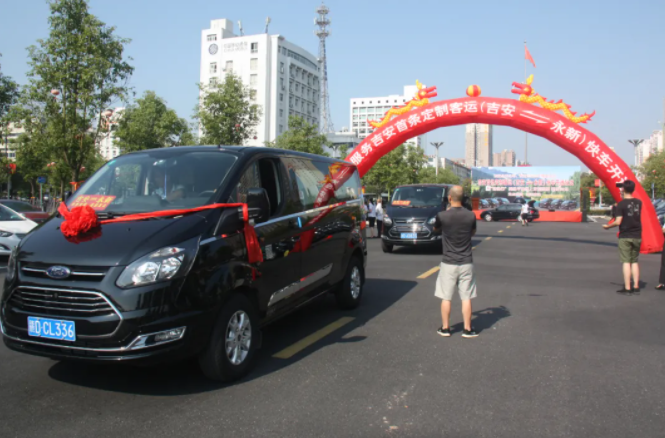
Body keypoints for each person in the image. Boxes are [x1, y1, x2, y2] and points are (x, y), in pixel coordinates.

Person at [433, 185, 479, 338]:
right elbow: (472, 232)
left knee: (446, 297)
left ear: (449, 198)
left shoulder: (442, 215)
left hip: (448, 262)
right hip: (466, 261)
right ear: (463, 198)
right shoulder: (471, 215)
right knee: (466, 297)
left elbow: (435, 229)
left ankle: (445, 328)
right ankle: (468, 329)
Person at [603, 180, 642, 295]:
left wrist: (607, 226)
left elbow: (618, 221)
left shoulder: (621, 204)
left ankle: (627, 287)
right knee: (634, 261)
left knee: (626, 262)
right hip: (637, 234)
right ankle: (636, 286)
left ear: (623, 189)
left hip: (625, 235)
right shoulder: (639, 202)